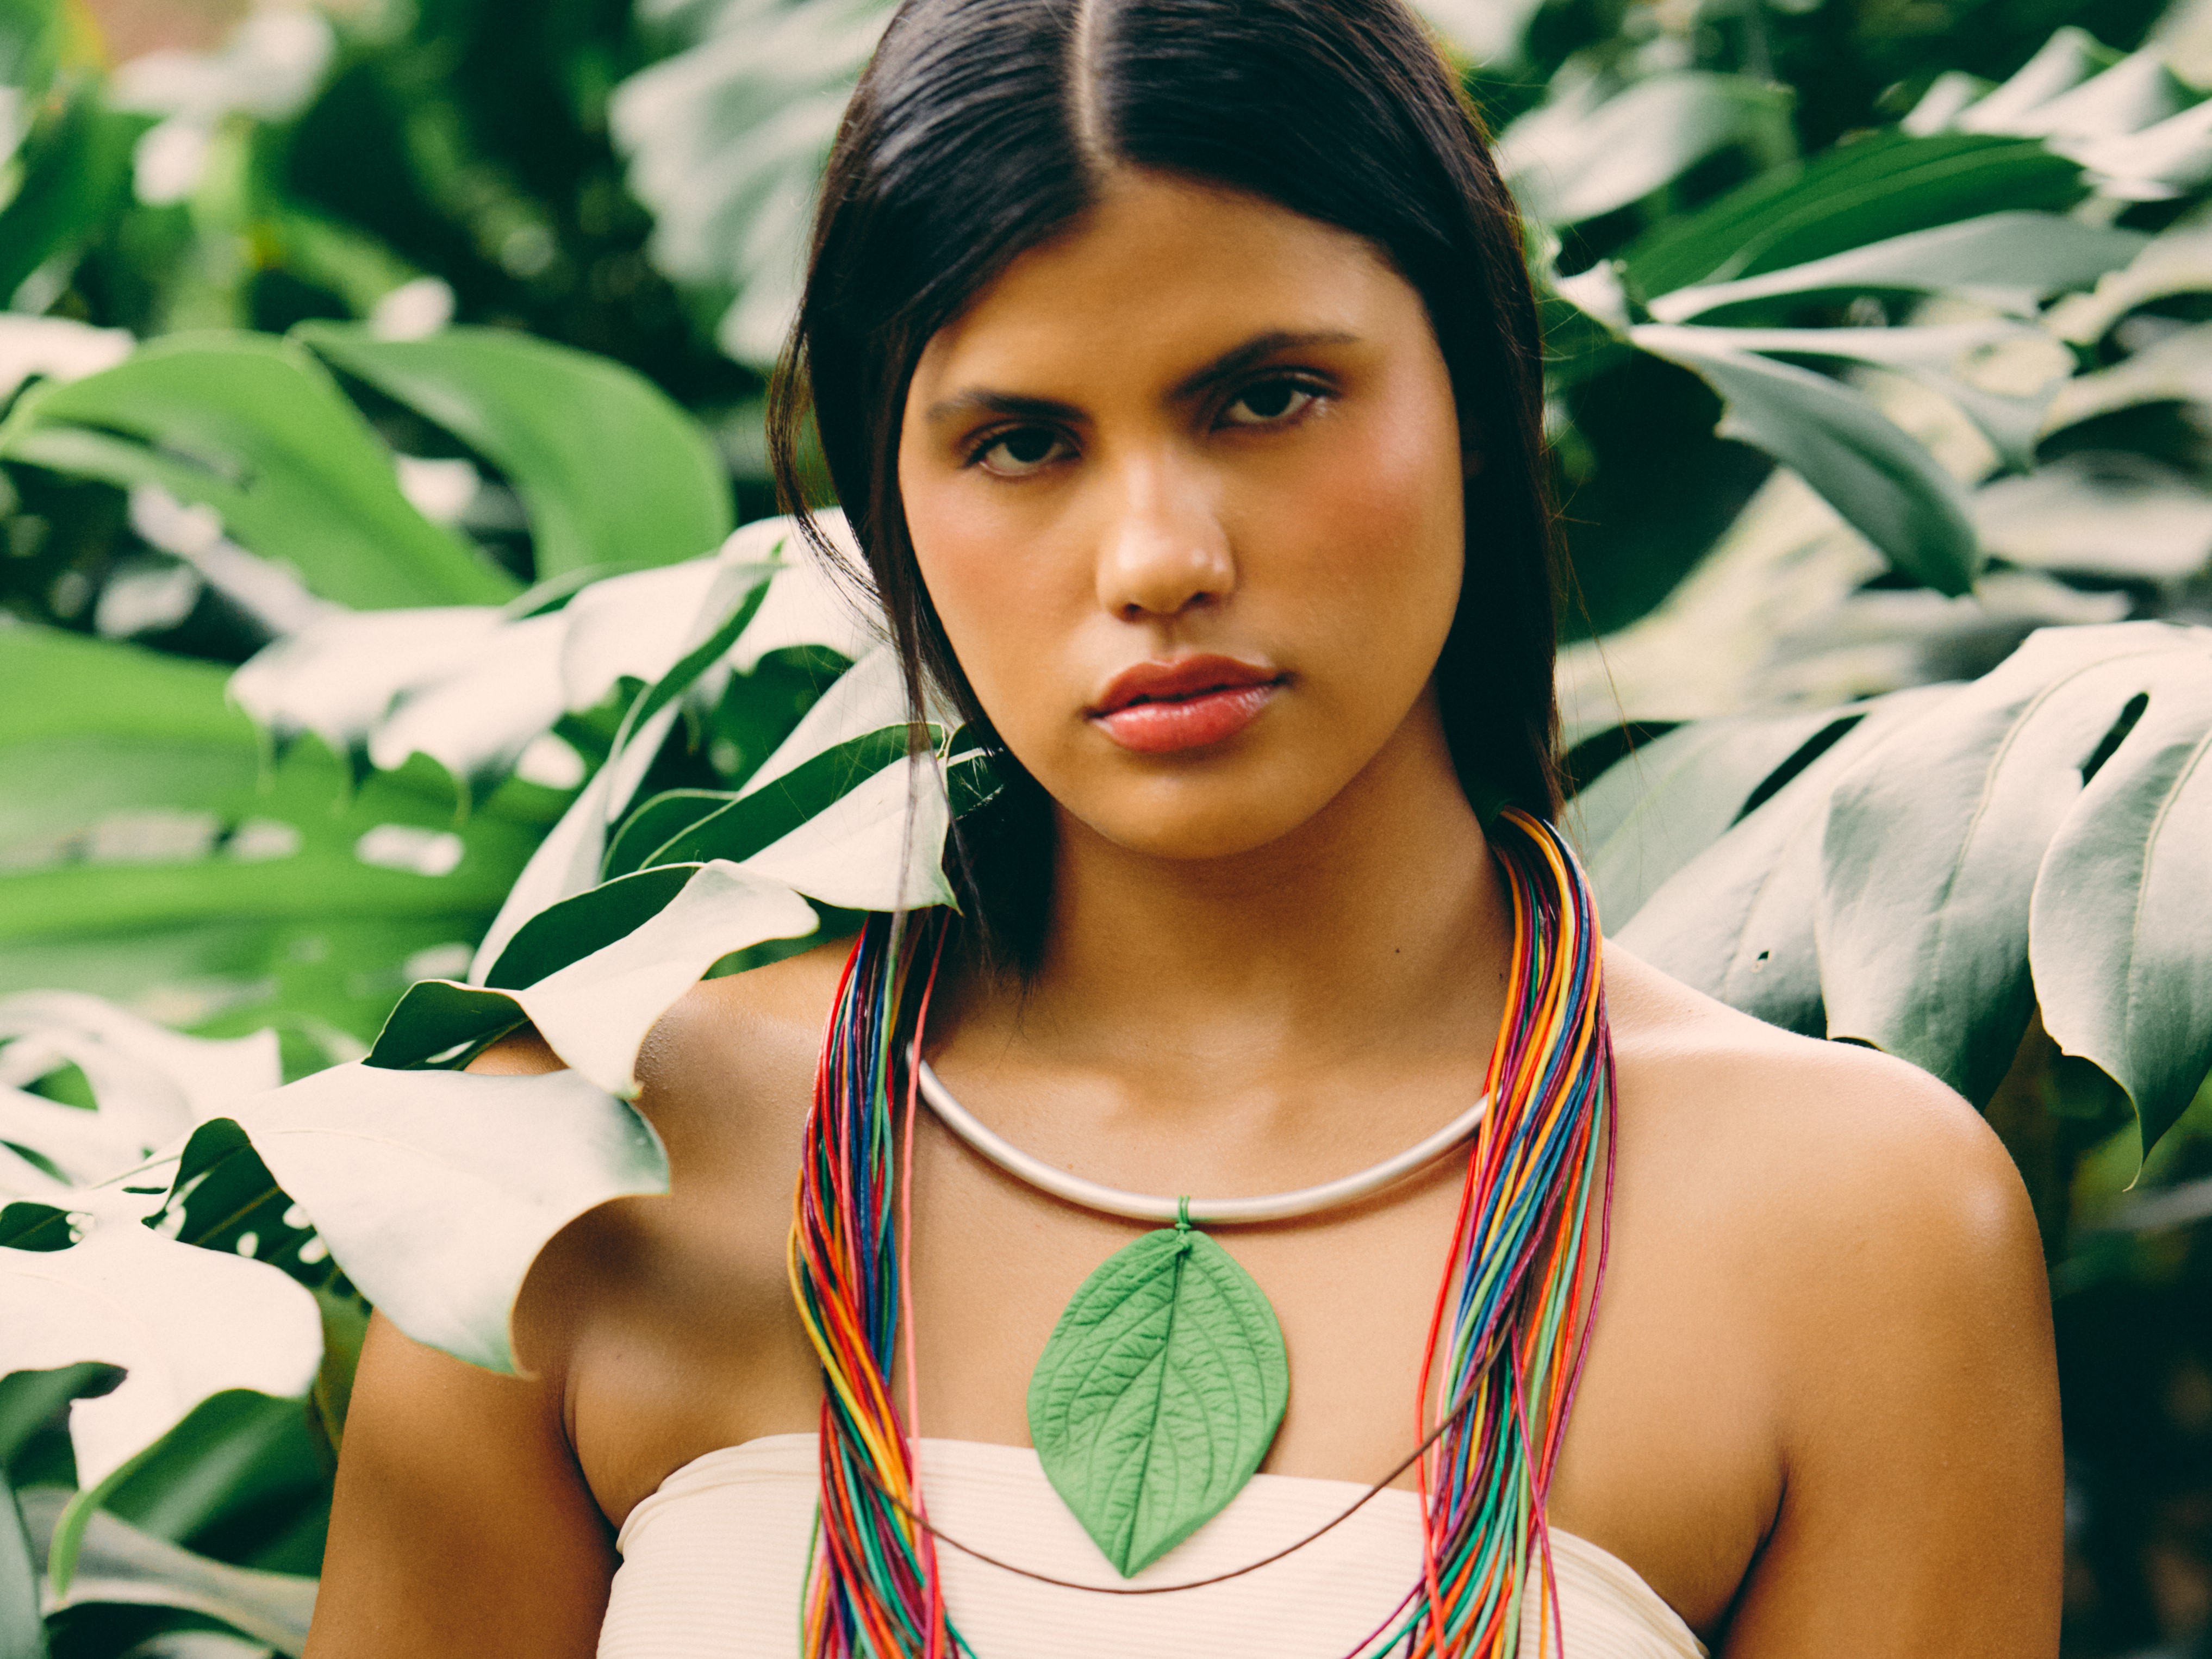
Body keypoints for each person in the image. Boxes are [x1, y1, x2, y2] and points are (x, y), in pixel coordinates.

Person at [303, 0, 2062, 1653]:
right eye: (1019, 443)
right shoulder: (575, 1171)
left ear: (1476, 386)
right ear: (888, 499)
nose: (1157, 557)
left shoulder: (1856, 1231)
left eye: (1268, 396)